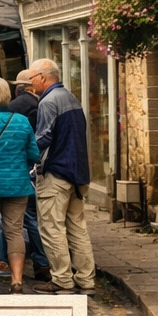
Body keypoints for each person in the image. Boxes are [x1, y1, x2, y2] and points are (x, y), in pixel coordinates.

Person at [27, 58, 96, 294]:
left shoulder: (48, 101)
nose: (30, 83)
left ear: (43, 78)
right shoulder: (71, 97)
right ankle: (86, 281)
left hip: (56, 173)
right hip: (78, 173)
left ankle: (62, 280)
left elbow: (44, 138)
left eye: (32, 78)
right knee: (77, 228)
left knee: (51, 228)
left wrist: (26, 152)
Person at [0, 77, 41, 294]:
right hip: (17, 185)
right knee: (15, 232)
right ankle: (17, 281)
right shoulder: (21, 122)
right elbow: (33, 154)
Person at [7, 69, 52, 283]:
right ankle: (42, 262)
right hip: (30, 171)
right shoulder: (38, 106)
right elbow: (35, 146)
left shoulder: (12, 108)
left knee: (4, 221)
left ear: (19, 89)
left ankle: (2, 263)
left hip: (11, 173)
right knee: (32, 218)